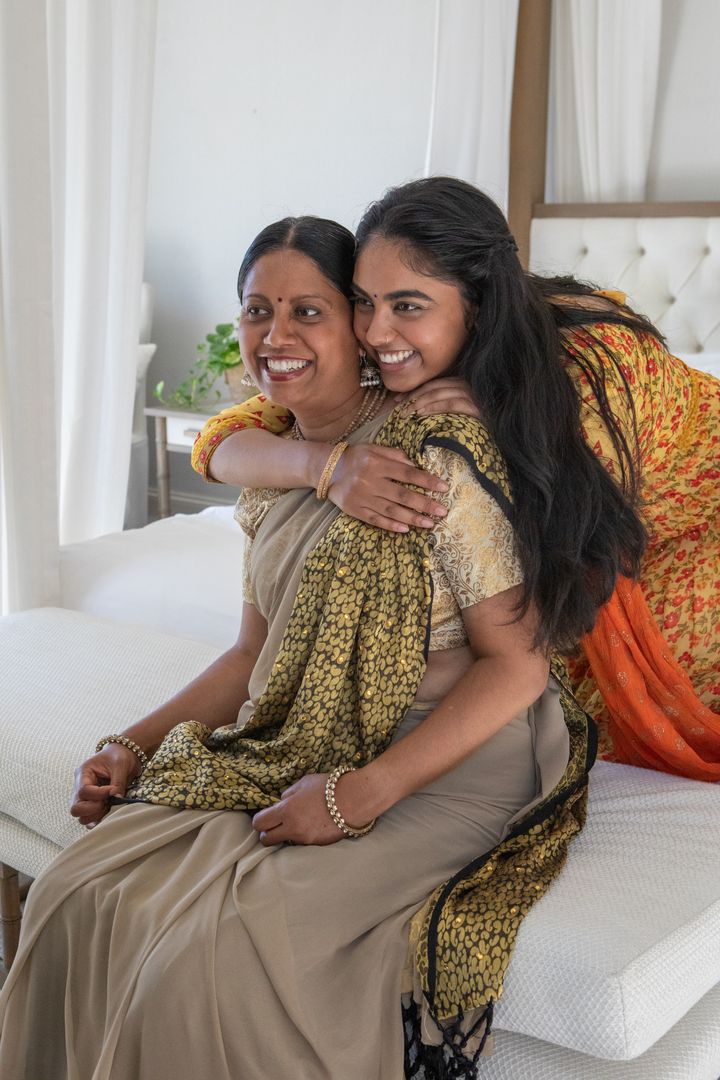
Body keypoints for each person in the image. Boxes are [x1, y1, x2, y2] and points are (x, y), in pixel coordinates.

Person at [0, 214, 595, 1080]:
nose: (275, 337)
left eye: (310, 312)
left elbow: (520, 663)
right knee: (78, 891)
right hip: (307, 738)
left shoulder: (437, 455)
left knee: (205, 963)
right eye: (255, 311)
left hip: (451, 760)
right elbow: (251, 657)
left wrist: (360, 795)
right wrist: (133, 742)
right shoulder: (277, 464)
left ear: (357, 331)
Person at [193, 176, 720, 783]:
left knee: (617, 708)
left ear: (479, 300)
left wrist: (505, 411)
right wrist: (328, 468)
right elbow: (221, 439)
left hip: (686, 534)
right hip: (604, 544)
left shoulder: (599, 371)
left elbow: (565, 543)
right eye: (365, 301)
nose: (375, 333)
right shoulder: (414, 357)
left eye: (407, 305)